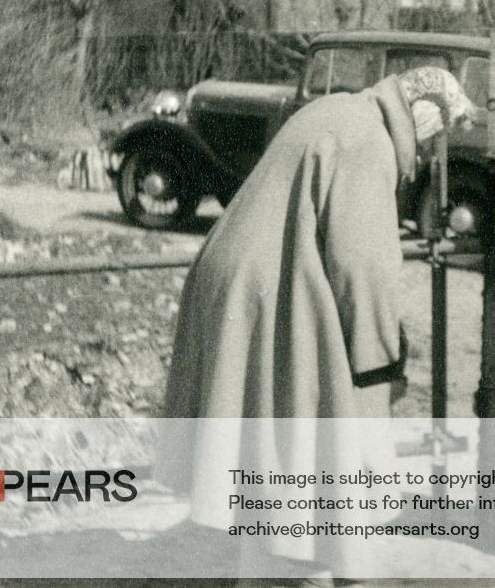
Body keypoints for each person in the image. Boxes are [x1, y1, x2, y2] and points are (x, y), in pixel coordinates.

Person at [158, 65, 477, 579]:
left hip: (236, 279)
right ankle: (302, 568)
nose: (423, 159)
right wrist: (379, 360)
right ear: (421, 121)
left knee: (270, 447)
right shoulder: (370, 140)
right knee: (312, 441)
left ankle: (272, 566)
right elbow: (361, 265)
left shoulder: (337, 109)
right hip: (271, 291)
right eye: (431, 143)